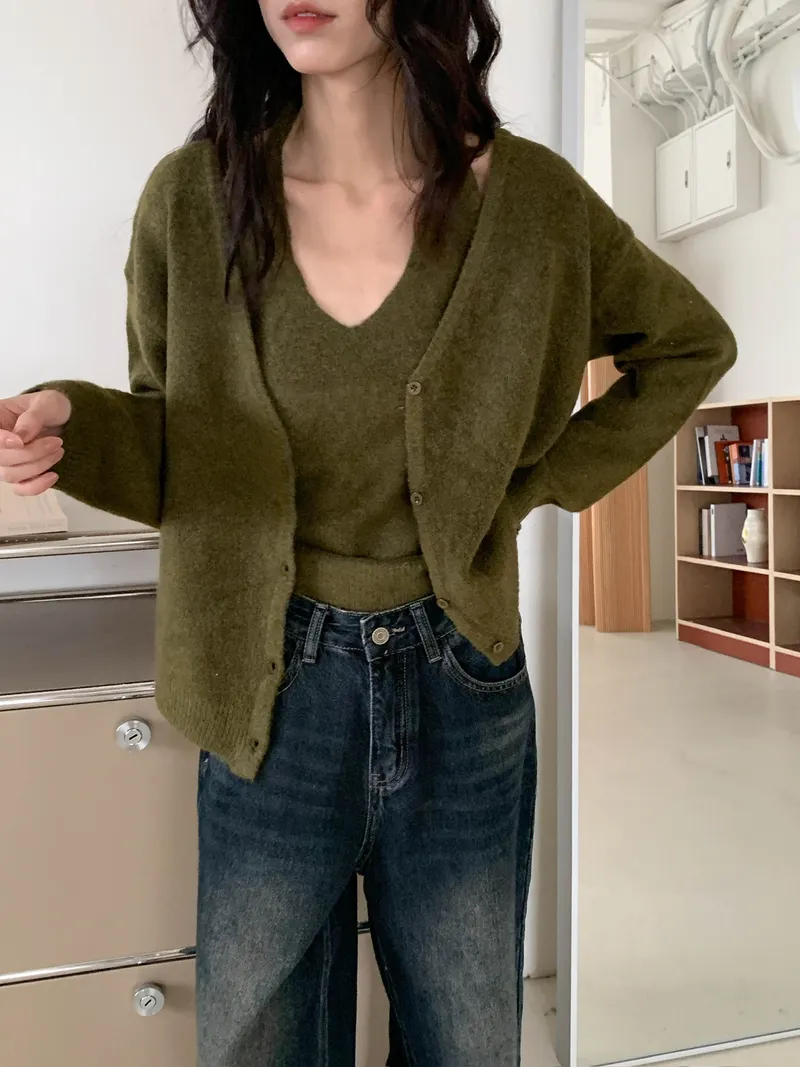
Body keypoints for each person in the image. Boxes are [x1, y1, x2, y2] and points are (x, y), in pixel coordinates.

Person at [0, 1, 736, 1064]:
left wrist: (533, 483)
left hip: (460, 682)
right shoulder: (192, 200)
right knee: (256, 1042)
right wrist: (74, 422)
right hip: (266, 689)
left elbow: (688, 344)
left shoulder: (530, 205)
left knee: (465, 1040)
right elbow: (180, 446)